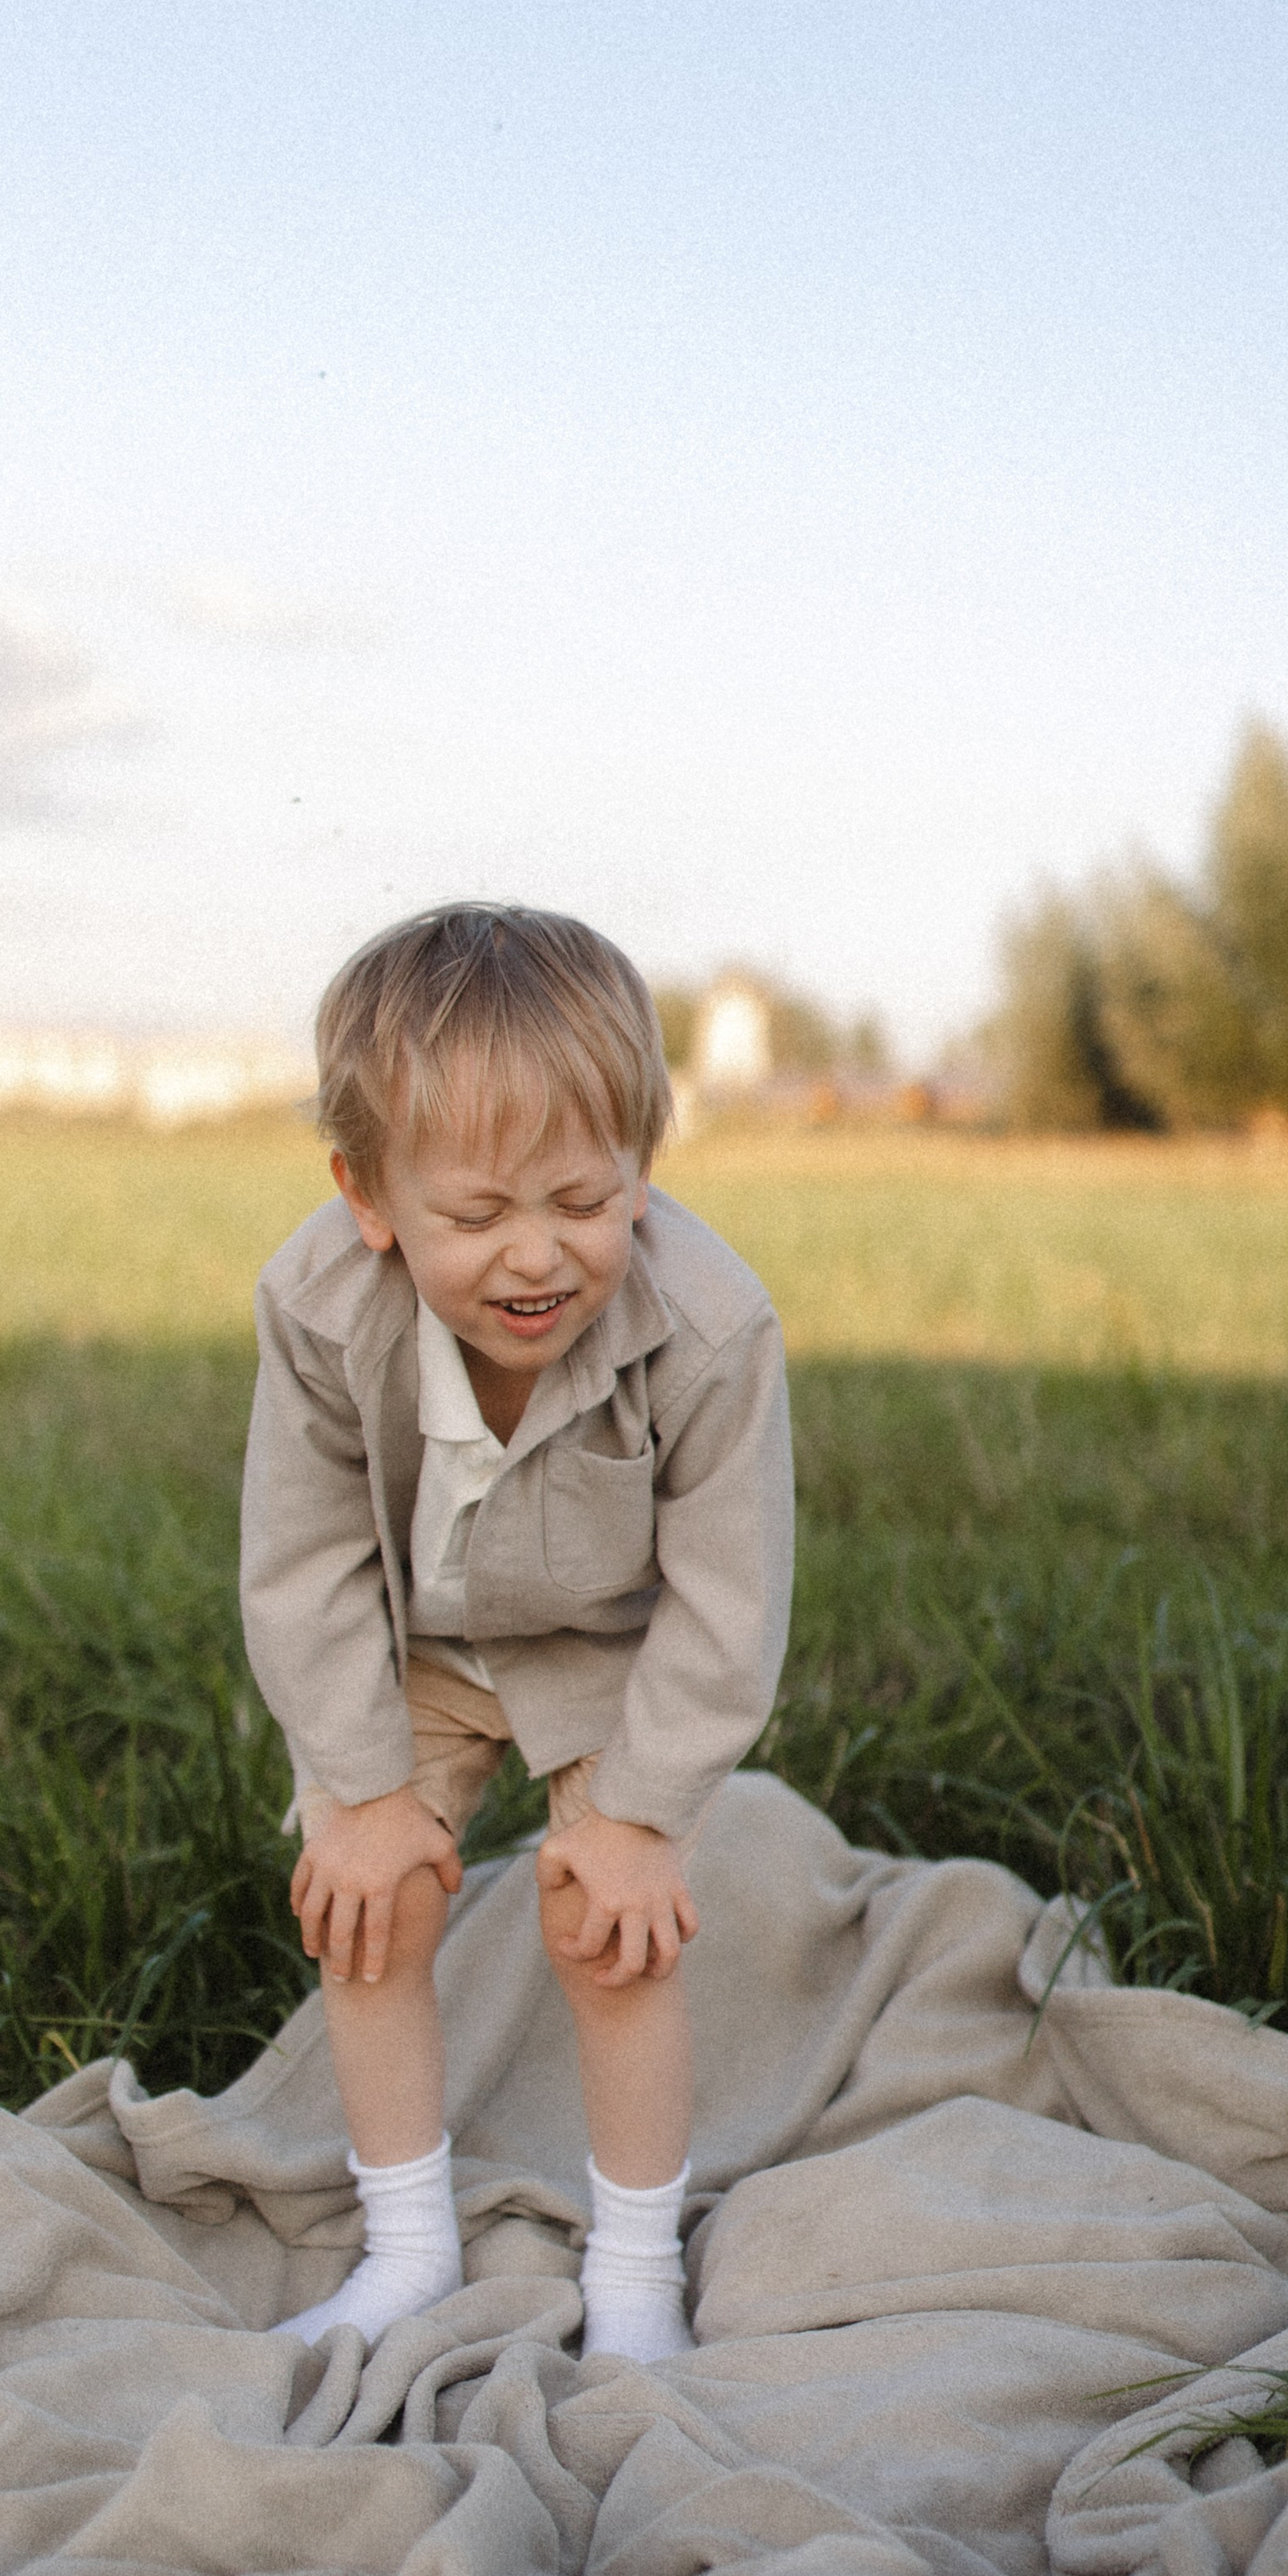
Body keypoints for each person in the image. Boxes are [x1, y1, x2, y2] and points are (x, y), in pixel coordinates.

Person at [240, 902, 793, 2362]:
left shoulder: (713, 1328)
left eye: (582, 1200)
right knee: (375, 1907)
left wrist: (642, 1813)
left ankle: (631, 2277)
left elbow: (729, 1601)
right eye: (476, 1217)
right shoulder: (314, 1307)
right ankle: (406, 2250)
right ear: (370, 1197)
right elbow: (300, 1565)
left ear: (644, 1166)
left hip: (611, 1657)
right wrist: (357, 1797)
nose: (535, 1256)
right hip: (409, 1650)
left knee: (612, 1936)